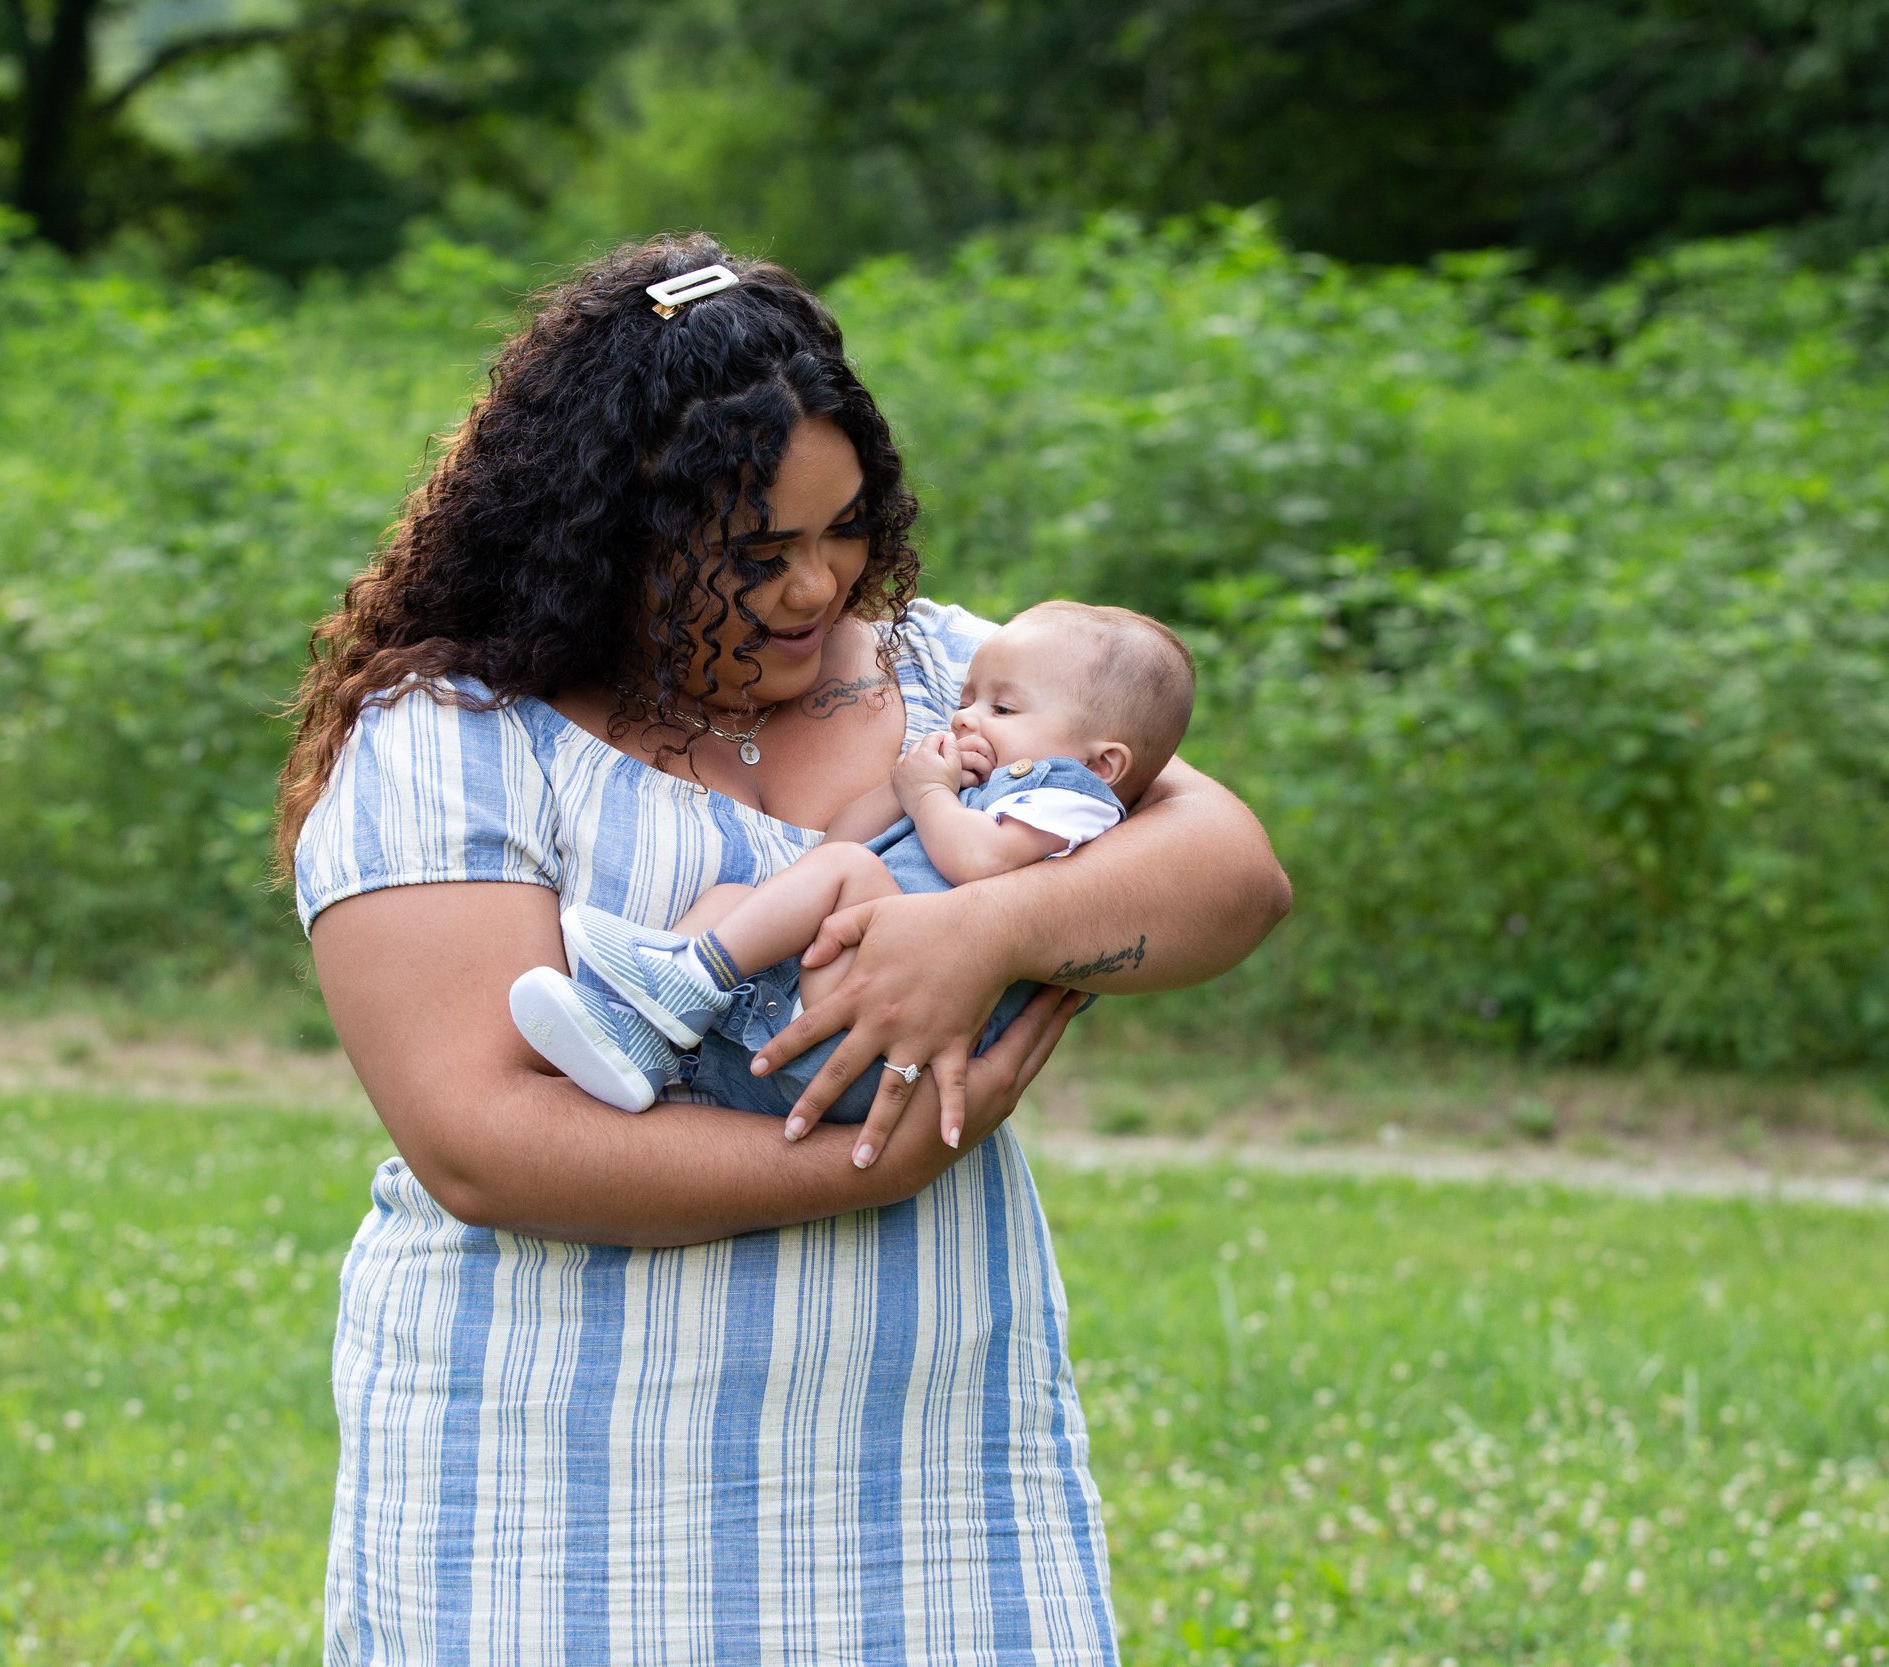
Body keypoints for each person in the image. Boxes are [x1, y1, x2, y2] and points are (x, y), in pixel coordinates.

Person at [278, 235, 1291, 1663]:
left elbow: (1234, 875)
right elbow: (480, 1141)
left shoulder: (958, 678)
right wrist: (875, 1159)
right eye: (756, 554)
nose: (820, 587)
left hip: (922, 1456)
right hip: (551, 1465)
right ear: (608, 532)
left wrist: (990, 921)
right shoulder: (453, 740)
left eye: (847, 527)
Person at [510, 600, 1194, 1175]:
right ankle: (640, 1037)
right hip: (826, 1007)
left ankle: (685, 982)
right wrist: (906, 787)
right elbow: (839, 842)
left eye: (1004, 707)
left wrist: (930, 797)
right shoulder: (965, 788)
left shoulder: (1075, 797)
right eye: (965, 699)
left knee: (853, 878)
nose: (966, 718)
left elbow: (980, 863)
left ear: (1103, 760)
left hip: (892, 1039)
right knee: (734, 897)